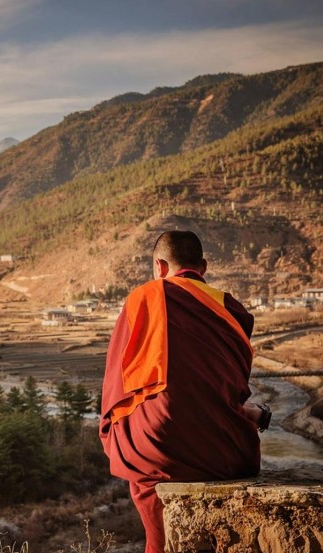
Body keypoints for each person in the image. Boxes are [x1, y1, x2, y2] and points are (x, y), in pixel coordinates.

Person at [99, 230, 270, 553]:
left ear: (159, 265)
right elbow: (230, 386)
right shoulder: (230, 308)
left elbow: (117, 387)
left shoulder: (142, 298)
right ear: (202, 267)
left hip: (157, 446)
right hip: (225, 449)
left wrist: (113, 431)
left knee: (142, 467)